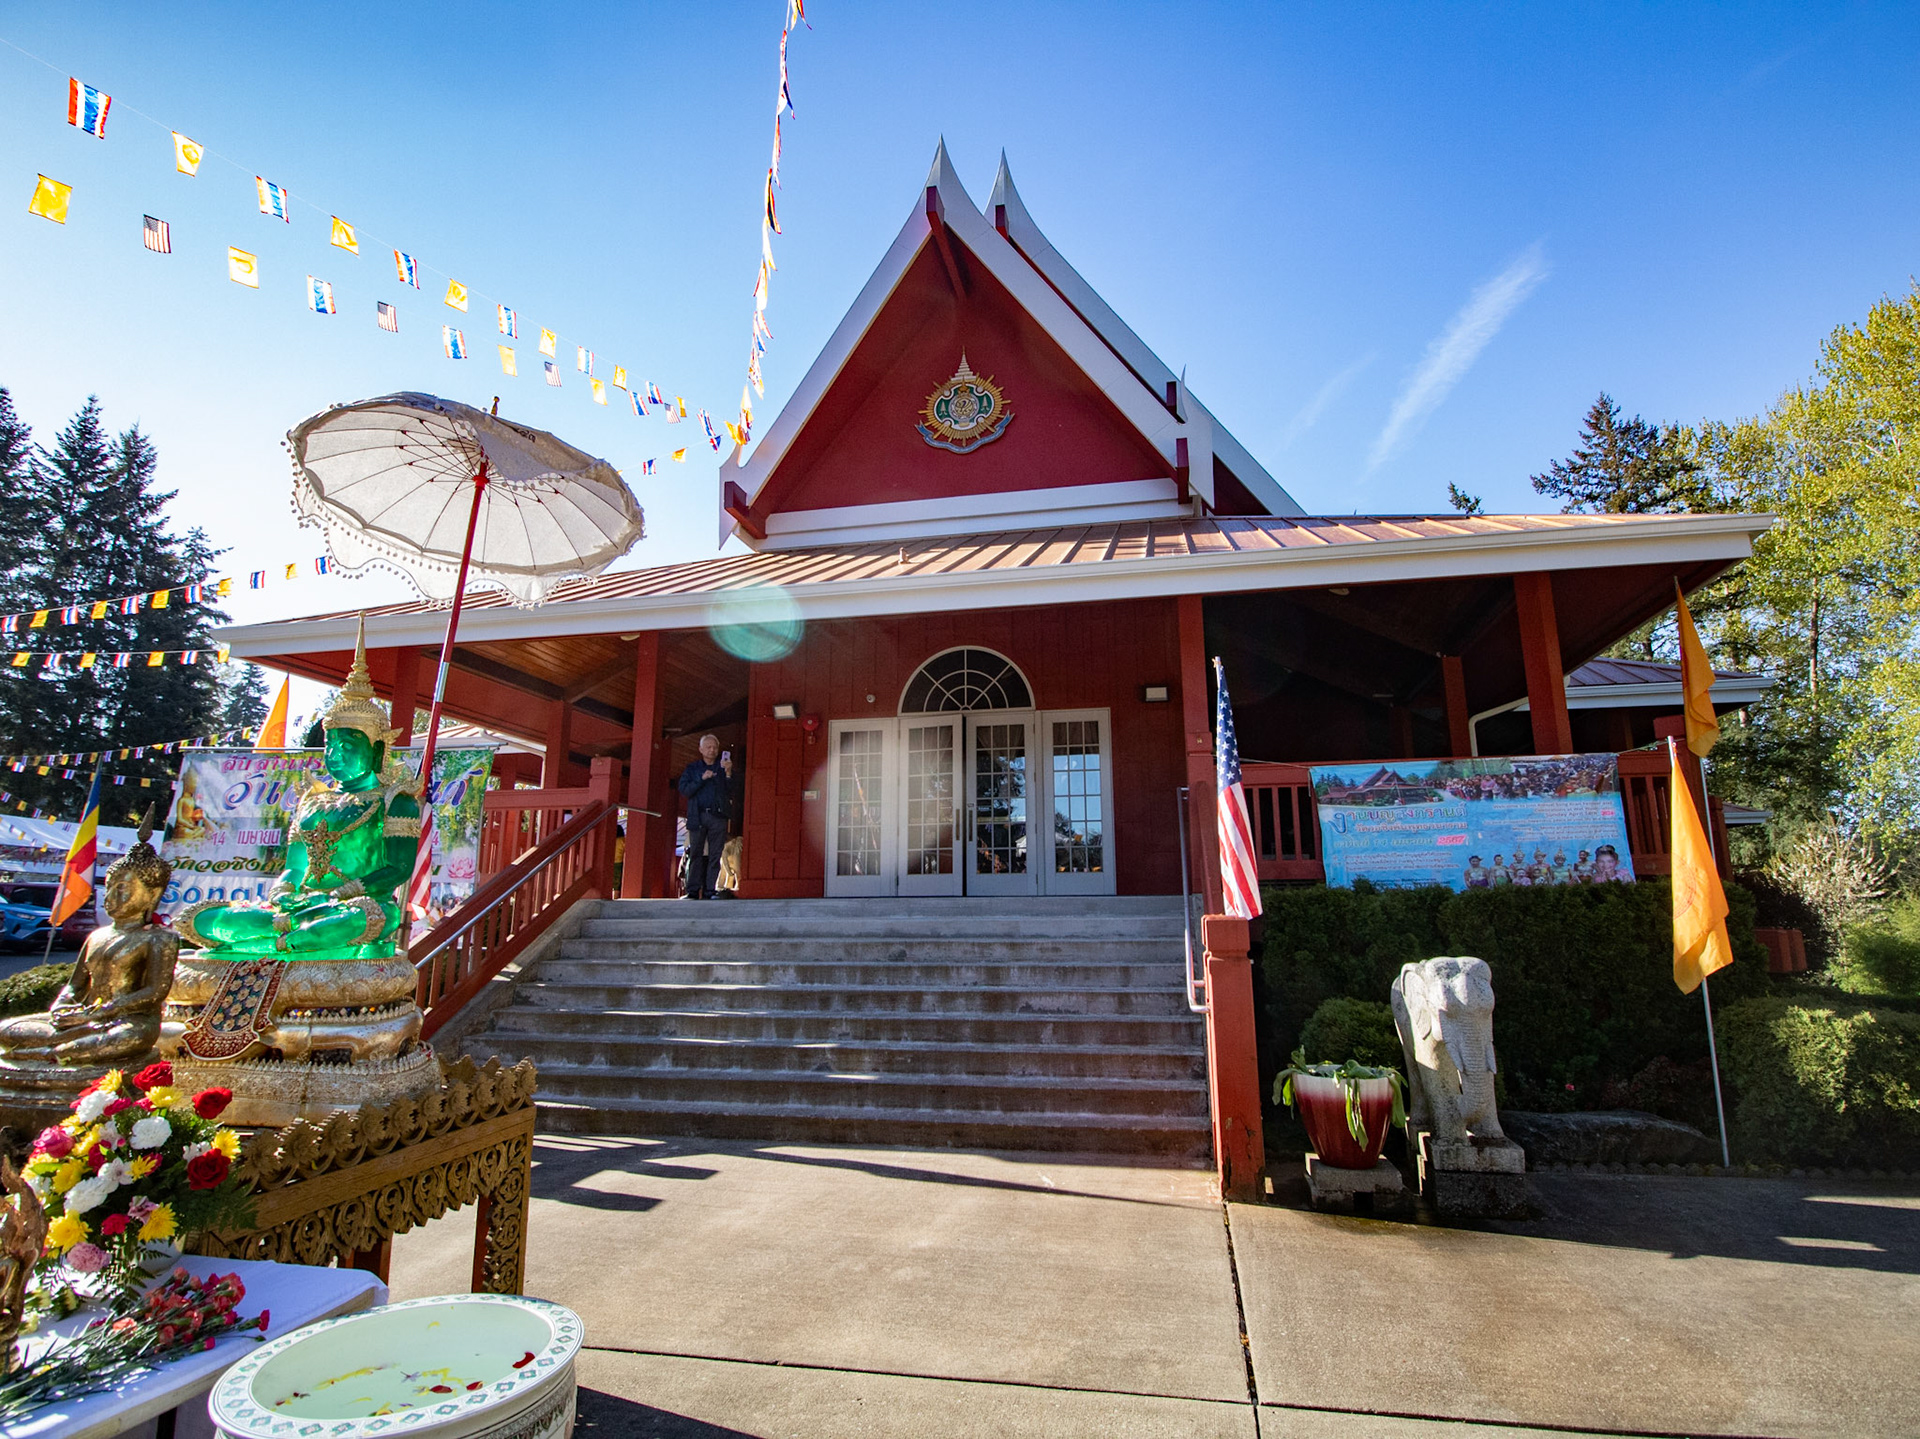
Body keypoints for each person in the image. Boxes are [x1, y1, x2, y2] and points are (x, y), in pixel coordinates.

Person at [677, 734, 734, 900]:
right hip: (698, 815)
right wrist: (701, 779)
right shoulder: (692, 768)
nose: (712, 750)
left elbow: (731, 790)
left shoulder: (722, 767)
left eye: (715, 747)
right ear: (701, 749)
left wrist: (728, 773)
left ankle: (710, 890)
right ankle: (693, 891)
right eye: (708, 747)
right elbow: (685, 790)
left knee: (715, 854)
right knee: (695, 853)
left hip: (718, 816)